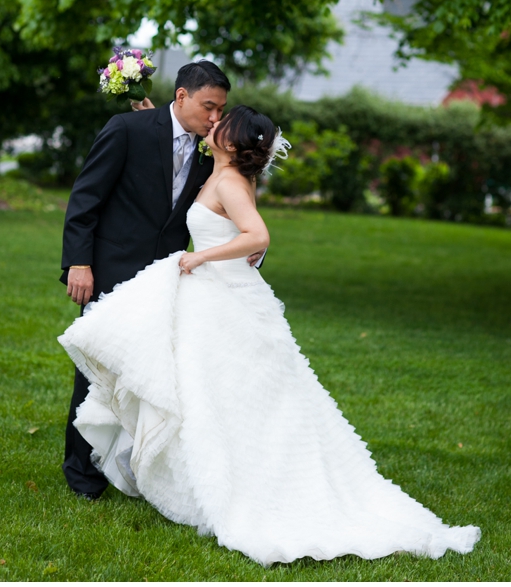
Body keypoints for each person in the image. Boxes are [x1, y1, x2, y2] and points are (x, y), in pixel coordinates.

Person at [59, 105, 481, 565]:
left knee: (234, 394)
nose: (213, 122)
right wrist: (152, 115)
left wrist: (202, 258)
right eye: (211, 113)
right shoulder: (215, 170)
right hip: (213, 293)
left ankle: (251, 484)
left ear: (234, 143)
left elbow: (257, 235)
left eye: (222, 121)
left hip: (224, 292)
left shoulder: (230, 182)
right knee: (208, 391)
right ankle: (203, 473)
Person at [60, 61, 267, 498]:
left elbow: (224, 210)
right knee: (98, 370)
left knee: (154, 373)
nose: (216, 118)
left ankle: (137, 461)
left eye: (221, 110)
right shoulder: (127, 129)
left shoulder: (213, 151)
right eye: (209, 107)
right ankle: (82, 474)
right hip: (110, 268)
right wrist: (79, 262)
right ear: (181, 97)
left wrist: (250, 246)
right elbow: (85, 198)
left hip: (169, 279)